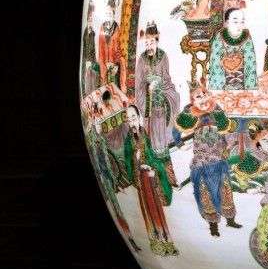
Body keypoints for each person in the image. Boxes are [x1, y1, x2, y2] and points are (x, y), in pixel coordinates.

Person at [173, 80, 242, 238]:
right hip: (202, 163)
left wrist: (229, 143)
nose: (203, 99)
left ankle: (230, 219)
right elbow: (176, 128)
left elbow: (226, 128)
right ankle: (213, 225)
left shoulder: (216, 109)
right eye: (198, 97)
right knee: (206, 194)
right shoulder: (190, 114)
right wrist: (179, 143)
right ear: (193, 100)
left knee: (225, 190)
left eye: (205, 95)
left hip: (219, 160)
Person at [123, 105, 179, 256]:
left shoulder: (146, 134)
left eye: (133, 117)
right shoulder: (128, 141)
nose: (132, 122)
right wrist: (136, 160)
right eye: (129, 119)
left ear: (139, 117)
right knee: (149, 211)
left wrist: (154, 168)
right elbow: (128, 164)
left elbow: (154, 155)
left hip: (152, 178)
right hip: (142, 181)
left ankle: (167, 242)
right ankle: (157, 244)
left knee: (158, 210)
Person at [135, 22, 179, 186]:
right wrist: (148, 88)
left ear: (157, 41)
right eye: (146, 43)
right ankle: (157, 175)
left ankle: (169, 174)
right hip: (149, 103)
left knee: (164, 140)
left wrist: (159, 85)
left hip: (162, 100)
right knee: (152, 141)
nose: (149, 46)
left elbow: (167, 79)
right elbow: (139, 83)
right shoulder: (142, 59)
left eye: (152, 42)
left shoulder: (163, 56)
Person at [86, 123, 141, 252]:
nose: (100, 125)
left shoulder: (101, 141)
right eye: (97, 124)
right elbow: (102, 167)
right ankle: (129, 239)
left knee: (118, 211)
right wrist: (112, 182)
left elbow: (110, 164)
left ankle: (130, 239)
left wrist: (116, 183)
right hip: (105, 182)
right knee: (117, 211)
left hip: (109, 180)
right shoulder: (94, 145)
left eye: (99, 123)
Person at [209, 6, 257, 90]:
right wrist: (218, 88)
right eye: (235, 21)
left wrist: (250, 88)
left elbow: (250, 63)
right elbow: (215, 62)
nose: (239, 25)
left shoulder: (246, 37)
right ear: (227, 22)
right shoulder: (219, 37)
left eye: (242, 22)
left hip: (243, 83)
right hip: (222, 83)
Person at [98, 0, 125, 89]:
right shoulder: (102, 27)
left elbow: (119, 48)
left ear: (113, 14)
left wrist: (115, 64)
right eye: (106, 13)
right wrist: (105, 63)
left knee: (115, 88)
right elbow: (100, 49)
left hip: (115, 65)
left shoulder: (117, 28)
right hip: (104, 63)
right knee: (105, 88)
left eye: (110, 13)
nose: (108, 15)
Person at [81, 0, 100, 97]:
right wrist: (87, 61)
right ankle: (87, 96)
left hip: (92, 60)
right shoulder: (86, 33)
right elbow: (86, 49)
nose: (90, 21)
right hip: (87, 61)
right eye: (89, 20)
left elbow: (94, 49)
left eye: (92, 20)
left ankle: (93, 96)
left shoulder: (93, 32)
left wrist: (94, 61)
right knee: (88, 80)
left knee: (94, 78)